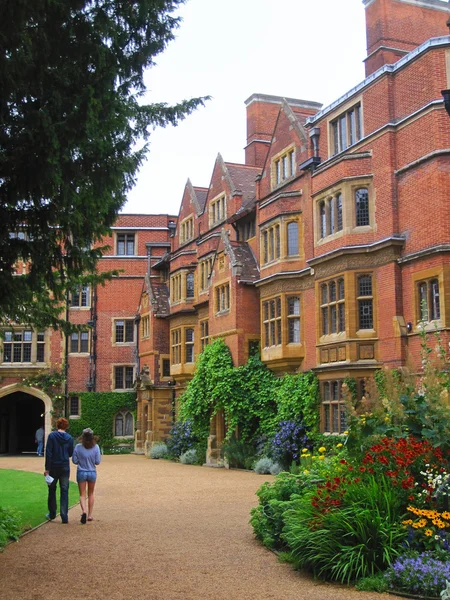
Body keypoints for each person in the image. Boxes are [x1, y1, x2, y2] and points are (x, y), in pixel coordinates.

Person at [44, 417, 74, 524]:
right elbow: (70, 453)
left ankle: (52, 514)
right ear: (66, 426)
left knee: (52, 489)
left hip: (53, 467)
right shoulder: (69, 438)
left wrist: (47, 469)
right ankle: (64, 516)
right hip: (65, 467)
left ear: (57, 425)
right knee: (64, 490)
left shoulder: (52, 436)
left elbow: (48, 453)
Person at [72, 428, 101, 524]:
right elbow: (97, 462)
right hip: (92, 472)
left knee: (82, 494)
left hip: (81, 471)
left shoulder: (78, 447)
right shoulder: (96, 447)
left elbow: (74, 461)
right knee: (91, 493)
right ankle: (89, 515)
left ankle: (84, 511)